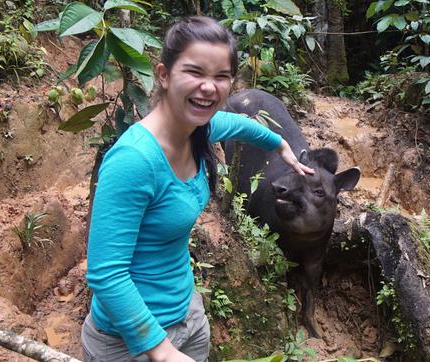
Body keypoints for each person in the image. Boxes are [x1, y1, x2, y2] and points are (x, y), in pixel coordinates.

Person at [80, 16, 313, 362]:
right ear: (163, 74)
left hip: (187, 316)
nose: (209, 87)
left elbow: (237, 123)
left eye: (221, 76)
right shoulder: (134, 161)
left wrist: (280, 145)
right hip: (129, 343)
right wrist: (160, 350)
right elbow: (105, 273)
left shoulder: (199, 127)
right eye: (194, 72)